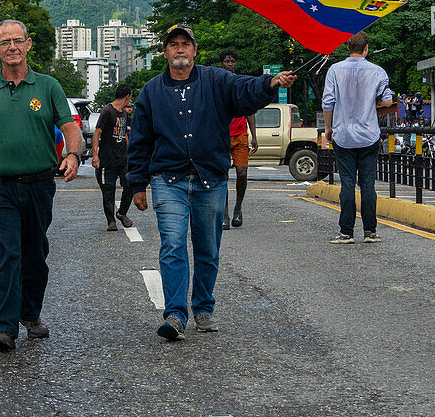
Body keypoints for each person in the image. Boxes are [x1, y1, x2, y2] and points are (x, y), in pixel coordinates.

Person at [128, 25, 296, 341]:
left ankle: (203, 307)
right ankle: (175, 314)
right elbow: (140, 140)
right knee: (173, 244)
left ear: (194, 50)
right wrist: (137, 184)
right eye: (173, 44)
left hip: (211, 179)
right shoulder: (151, 91)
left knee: (208, 249)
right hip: (169, 179)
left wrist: (270, 83)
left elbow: (244, 91)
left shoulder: (216, 80)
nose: (179, 49)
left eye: (185, 44)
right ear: (165, 52)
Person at [0, 19, 82, 352]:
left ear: (29, 45)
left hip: (40, 184)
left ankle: (30, 314)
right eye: (5, 42)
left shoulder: (48, 86)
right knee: (7, 254)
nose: (12, 47)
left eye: (18, 40)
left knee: (35, 254)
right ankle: (4, 327)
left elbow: (70, 127)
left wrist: (73, 155)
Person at [322, 31, 395, 244]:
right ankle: (370, 231)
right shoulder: (378, 72)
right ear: (366, 48)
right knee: (368, 185)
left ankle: (346, 232)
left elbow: (328, 103)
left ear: (347, 47)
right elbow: (388, 101)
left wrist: (328, 129)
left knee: (347, 184)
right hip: (368, 135)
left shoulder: (334, 70)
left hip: (343, 135)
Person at [220, 49, 258, 230]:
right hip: (222, 135)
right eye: (227, 61)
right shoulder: (218, 82)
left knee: (242, 173)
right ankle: (225, 213)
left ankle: (238, 208)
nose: (230, 64)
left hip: (241, 134)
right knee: (223, 176)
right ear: (222, 63)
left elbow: (249, 110)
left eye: (232, 61)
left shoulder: (241, 83)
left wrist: (254, 136)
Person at [93, 83, 134, 232]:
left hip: (122, 158)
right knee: (108, 191)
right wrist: (95, 156)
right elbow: (97, 133)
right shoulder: (107, 111)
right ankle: (111, 221)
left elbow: (123, 134)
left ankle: (121, 213)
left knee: (130, 185)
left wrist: (130, 153)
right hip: (107, 160)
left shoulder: (123, 112)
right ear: (127, 96)